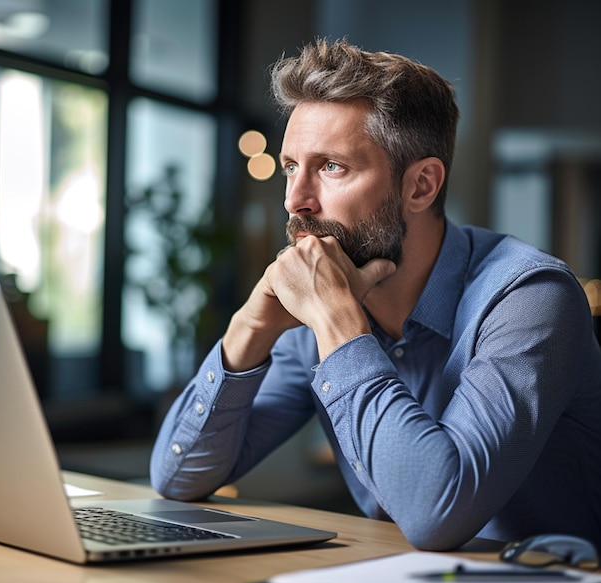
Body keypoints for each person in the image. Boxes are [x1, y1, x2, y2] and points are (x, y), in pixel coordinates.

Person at [150, 38, 601, 551]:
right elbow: (179, 476)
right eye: (291, 166)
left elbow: (438, 512)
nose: (295, 200)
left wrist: (339, 326)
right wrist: (247, 329)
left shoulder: (531, 299)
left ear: (421, 186)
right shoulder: (322, 304)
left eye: (331, 167)